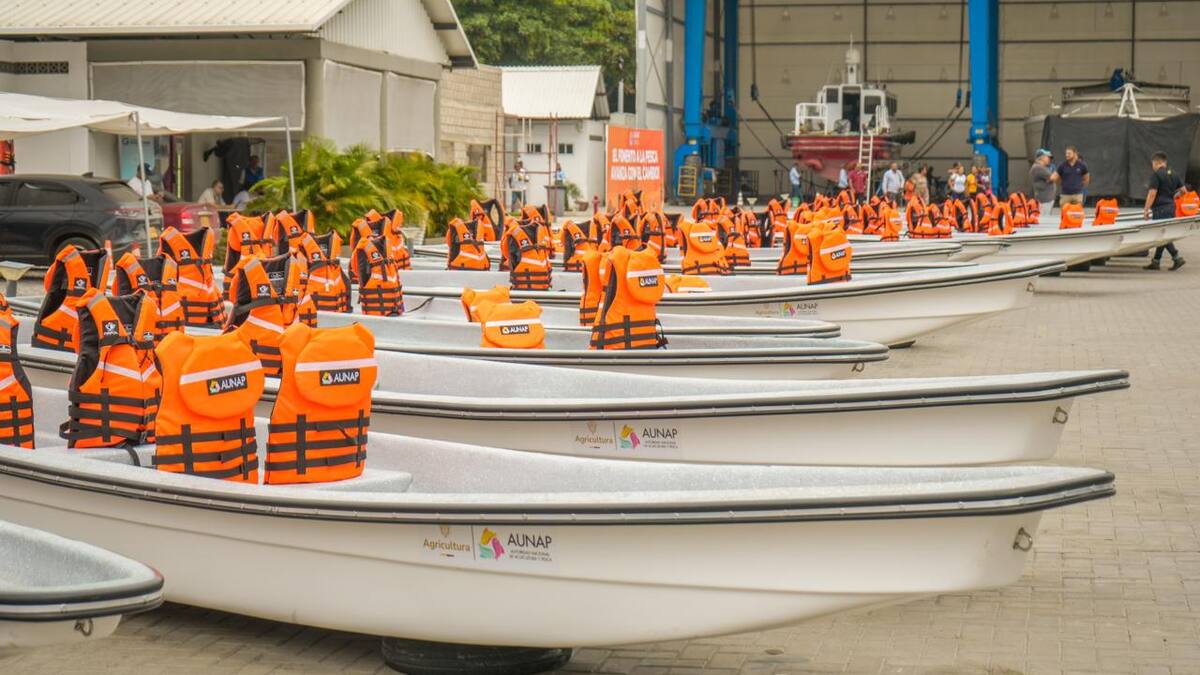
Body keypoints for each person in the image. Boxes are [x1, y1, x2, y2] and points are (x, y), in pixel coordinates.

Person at [1144, 151, 1186, 270]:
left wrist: (1146, 209)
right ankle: (1156, 261)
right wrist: (1174, 196)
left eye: (1153, 163)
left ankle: (1176, 257)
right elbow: (1183, 191)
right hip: (1171, 207)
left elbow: (1152, 194)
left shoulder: (1156, 175)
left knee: (1161, 235)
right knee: (1163, 234)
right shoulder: (1174, 174)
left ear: (1156, 162)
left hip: (1160, 209)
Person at [1029, 149, 1059, 215]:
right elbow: (1052, 178)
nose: (1049, 159)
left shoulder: (1042, 167)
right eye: (1047, 157)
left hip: (1046, 200)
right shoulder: (1038, 167)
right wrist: (1060, 170)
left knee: (1045, 218)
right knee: (1043, 219)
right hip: (1044, 200)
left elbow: (1050, 179)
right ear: (1042, 157)